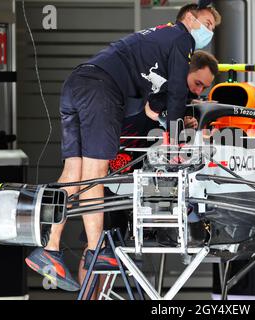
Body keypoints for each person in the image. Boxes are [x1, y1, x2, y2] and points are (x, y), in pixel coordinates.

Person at [25, 3, 221, 292]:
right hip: (100, 91)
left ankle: (49, 248)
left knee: (74, 172)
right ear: (189, 19)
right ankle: (95, 251)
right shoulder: (181, 38)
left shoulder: (157, 40)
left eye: (213, 28)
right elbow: (178, 93)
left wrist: (165, 115)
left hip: (77, 83)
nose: (209, 31)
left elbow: (154, 105)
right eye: (206, 23)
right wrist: (178, 138)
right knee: (96, 172)